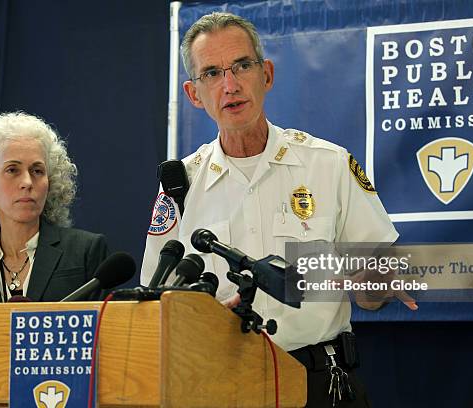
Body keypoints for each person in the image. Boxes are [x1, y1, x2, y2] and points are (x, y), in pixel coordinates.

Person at [141, 12, 416, 407]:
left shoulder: (329, 165)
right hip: (221, 385)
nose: (230, 85)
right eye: (212, 73)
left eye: (242, 66)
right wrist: (209, 317)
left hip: (319, 382)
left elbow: (373, 288)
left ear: (266, 74)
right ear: (194, 94)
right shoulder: (180, 185)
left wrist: (376, 285)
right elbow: (158, 303)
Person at [0, 112, 109, 302]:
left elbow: (106, 329)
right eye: (12, 170)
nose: (27, 182)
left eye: (37, 171)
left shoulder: (85, 252)